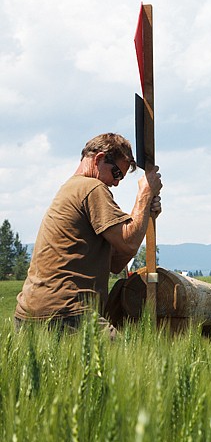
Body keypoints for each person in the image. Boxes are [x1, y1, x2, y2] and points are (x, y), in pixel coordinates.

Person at [15, 133, 162, 338]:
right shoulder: (91, 187)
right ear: (99, 159)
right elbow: (128, 242)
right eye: (116, 174)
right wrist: (144, 194)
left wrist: (144, 214)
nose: (116, 183)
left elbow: (116, 262)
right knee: (124, 357)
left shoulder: (71, 188)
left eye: (120, 177)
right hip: (67, 311)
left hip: (30, 313)